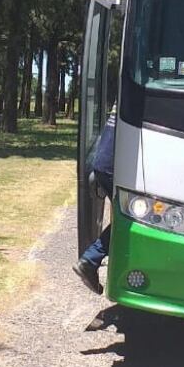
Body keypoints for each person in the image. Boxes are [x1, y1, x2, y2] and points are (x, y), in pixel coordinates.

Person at [73, 110, 115, 295]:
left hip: (104, 164)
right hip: (113, 167)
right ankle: (90, 261)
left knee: (127, 219)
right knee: (135, 220)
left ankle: (91, 260)